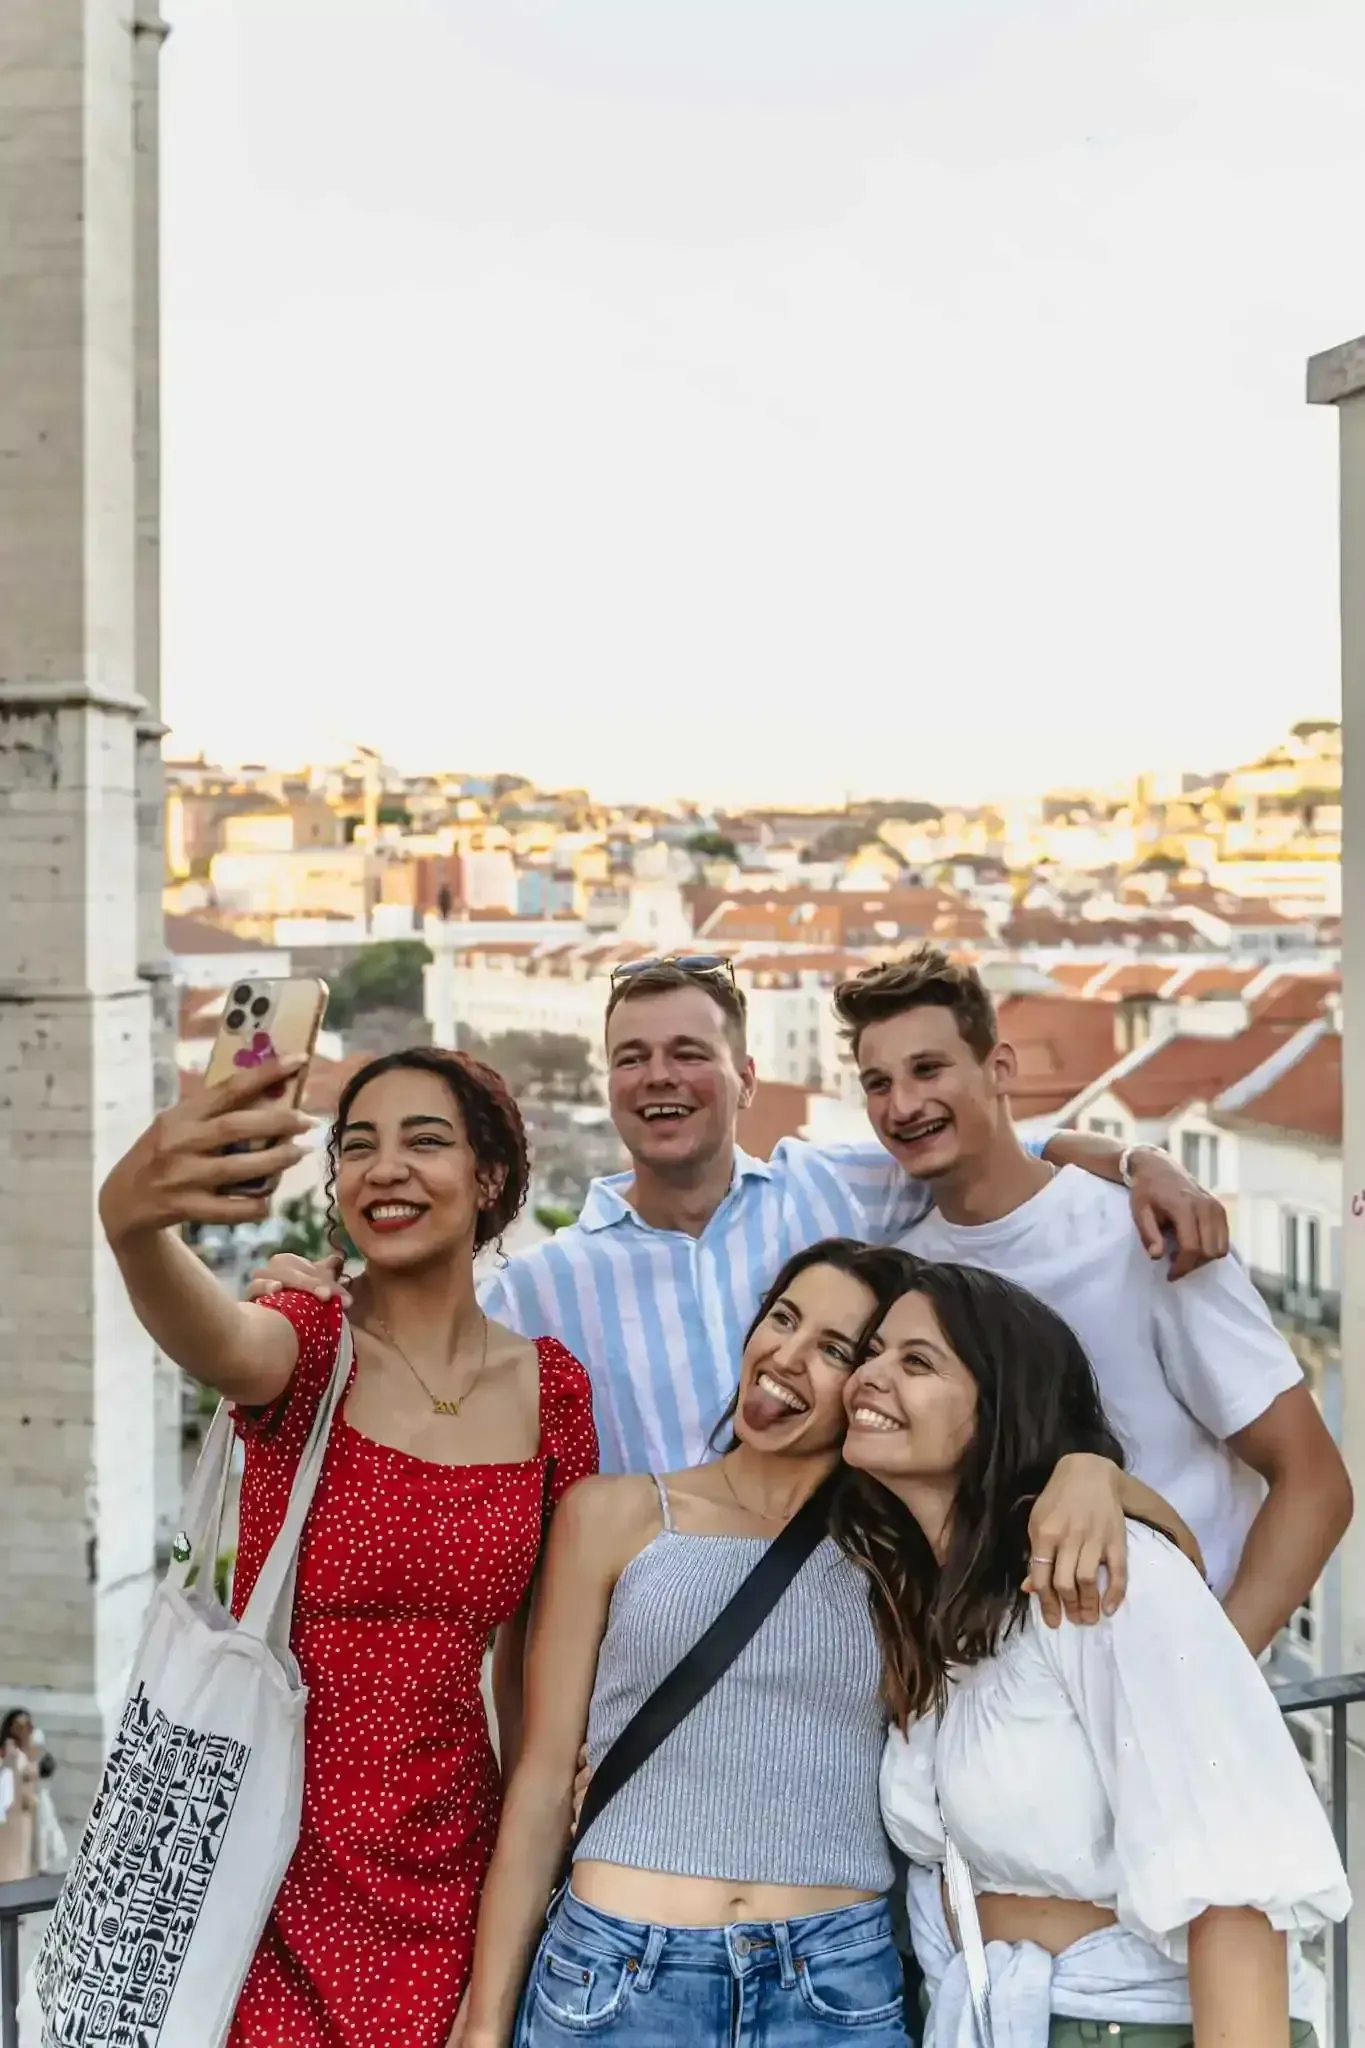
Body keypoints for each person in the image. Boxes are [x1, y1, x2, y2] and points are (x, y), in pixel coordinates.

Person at [253, 956, 1228, 1619]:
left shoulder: (834, 1189)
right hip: (665, 1674)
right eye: (633, 1057)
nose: (659, 1076)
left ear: (745, 1075)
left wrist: (1142, 1157)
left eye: (689, 1053)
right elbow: (418, 1348)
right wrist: (318, 1293)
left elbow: (995, 1144)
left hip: (861, 1643)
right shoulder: (545, 1287)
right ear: (608, 1085)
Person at [453, 1241, 1199, 2048]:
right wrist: (486, 2016)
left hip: (833, 1981)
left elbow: (1178, 1578)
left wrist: (1093, 1475)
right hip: (617, 1970)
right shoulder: (614, 1514)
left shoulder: (907, 1554)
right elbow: (537, 1784)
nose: (787, 1356)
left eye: (837, 1350)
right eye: (782, 1319)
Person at [98, 1046, 598, 2048]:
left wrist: (501, 1970)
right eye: (358, 1145)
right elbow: (222, 1341)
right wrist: (133, 1221)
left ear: (489, 1174)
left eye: (426, 1139)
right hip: (268, 1868)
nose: (385, 1168)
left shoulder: (552, 1391)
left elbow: (532, 1695)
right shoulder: (309, 1338)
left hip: (453, 1875)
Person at [834, 1253, 1350, 2048]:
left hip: (1131, 2026)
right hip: (998, 2014)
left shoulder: (1103, 1576)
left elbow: (1236, 1889)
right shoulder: (935, 1605)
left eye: (916, 1361)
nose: (870, 1375)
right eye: (870, 1352)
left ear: (999, 1408)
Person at [832, 947, 1352, 1652]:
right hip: (999, 1687)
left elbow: (1312, 1480)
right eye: (876, 1083)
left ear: (1000, 1069)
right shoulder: (909, 1271)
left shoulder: (1137, 1233)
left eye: (928, 1069)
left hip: (1158, 1664)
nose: (902, 1105)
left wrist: (1217, 1673)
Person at [0, 1709, 40, 1882]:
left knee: (22, 1850)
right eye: (19, 1726)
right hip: (12, 1812)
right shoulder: (10, 1752)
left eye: (27, 1726)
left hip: (24, 1814)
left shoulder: (25, 1751)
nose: (25, 1730)